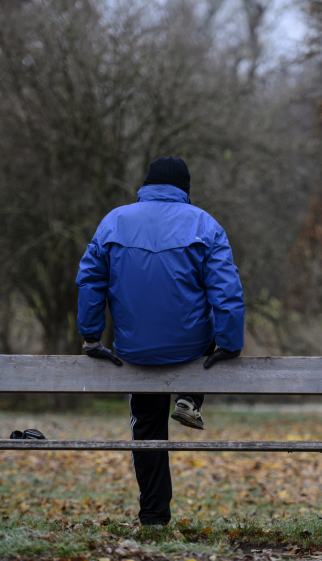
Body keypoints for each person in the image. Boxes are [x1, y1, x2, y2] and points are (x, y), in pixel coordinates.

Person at [75, 156, 245, 526]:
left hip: (134, 350)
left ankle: (153, 516)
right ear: (185, 188)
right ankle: (189, 397)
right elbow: (226, 294)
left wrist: (91, 337)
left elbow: (90, 282)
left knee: (147, 428)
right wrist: (229, 344)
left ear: (146, 184)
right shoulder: (205, 224)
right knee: (205, 326)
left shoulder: (114, 221)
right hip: (190, 348)